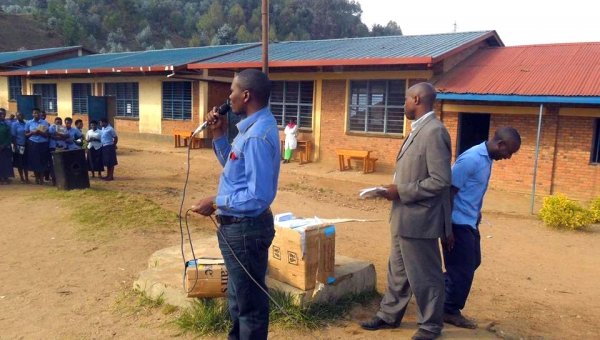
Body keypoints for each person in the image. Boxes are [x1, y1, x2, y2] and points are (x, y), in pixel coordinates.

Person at [191, 69, 280, 340]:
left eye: (232, 91)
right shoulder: (251, 129)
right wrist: (218, 136)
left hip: (246, 230)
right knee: (239, 301)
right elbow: (235, 170)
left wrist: (217, 201)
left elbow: (257, 195)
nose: (228, 97)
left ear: (246, 95)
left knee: (249, 306)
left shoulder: (256, 136)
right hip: (238, 230)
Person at [360, 83, 452, 340]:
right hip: (403, 216)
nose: (404, 105)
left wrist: (401, 190)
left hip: (420, 219)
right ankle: (389, 315)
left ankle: (431, 326)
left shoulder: (434, 132)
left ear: (417, 98)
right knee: (398, 271)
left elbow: (441, 181)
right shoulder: (417, 130)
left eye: (406, 100)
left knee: (426, 275)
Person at [443, 127, 521, 329]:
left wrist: (476, 212)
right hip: (456, 223)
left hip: (469, 221)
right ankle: (449, 310)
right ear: (500, 144)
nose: (509, 157)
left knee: (472, 262)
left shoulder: (486, 159)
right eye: (509, 152)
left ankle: (439, 294)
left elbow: (470, 190)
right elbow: (449, 192)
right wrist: (447, 229)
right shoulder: (471, 159)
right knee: (462, 270)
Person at [24, 108, 50, 185]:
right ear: (32, 114)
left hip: (43, 144)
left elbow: (46, 135)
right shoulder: (29, 123)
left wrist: (39, 132)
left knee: (42, 161)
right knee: (34, 161)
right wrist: (32, 133)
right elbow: (26, 135)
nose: (36, 114)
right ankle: (36, 178)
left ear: (40, 114)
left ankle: (42, 178)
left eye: (38, 113)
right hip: (33, 143)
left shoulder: (44, 123)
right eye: (34, 113)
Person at [11, 112, 29, 183]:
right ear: (16, 116)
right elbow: (13, 136)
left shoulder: (26, 123)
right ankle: (22, 178)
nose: (20, 117)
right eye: (18, 115)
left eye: (21, 115)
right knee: (20, 163)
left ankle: (27, 178)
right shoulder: (14, 124)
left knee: (26, 162)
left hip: (26, 145)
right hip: (19, 145)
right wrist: (15, 146)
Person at [0, 108, 14, 184]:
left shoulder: (6, 124)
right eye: (0, 114)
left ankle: (6, 177)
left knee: (6, 162)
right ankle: (1, 178)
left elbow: (9, 136)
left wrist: (4, 145)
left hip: (6, 146)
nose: (2, 116)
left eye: (3, 114)